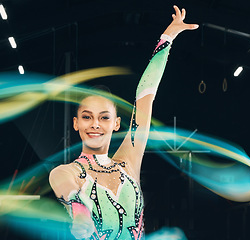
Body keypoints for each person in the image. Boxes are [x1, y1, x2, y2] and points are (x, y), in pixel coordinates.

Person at [49, 5, 198, 240]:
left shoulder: (128, 163)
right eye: (87, 117)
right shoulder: (69, 172)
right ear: (76, 123)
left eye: (104, 117)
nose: (95, 124)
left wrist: (168, 36)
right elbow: (63, 185)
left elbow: (145, 95)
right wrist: (79, 213)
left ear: (116, 123)